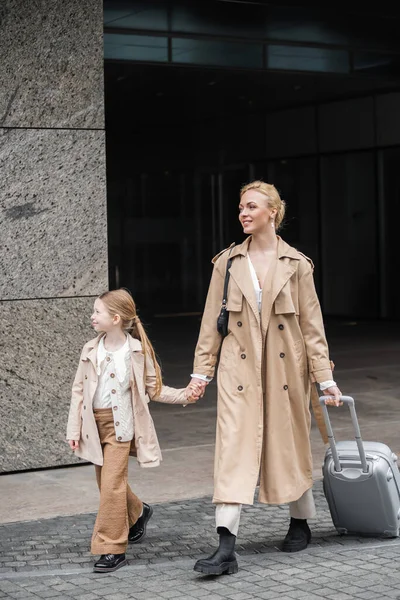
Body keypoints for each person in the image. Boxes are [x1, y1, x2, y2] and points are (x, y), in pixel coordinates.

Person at [190, 180, 342, 576]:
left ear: (272, 212)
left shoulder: (296, 265)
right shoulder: (227, 263)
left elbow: (312, 326)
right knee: (232, 447)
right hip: (236, 371)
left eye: (251, 206)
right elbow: (212, 322)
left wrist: (325, 379)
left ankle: (300, 520)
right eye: (240, 207)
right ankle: (226, 546)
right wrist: (200, 372)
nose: (243, 213)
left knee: (288, 444)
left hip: (285, 370)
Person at [66, 289, 200, 573]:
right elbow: (78, 391)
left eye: (98, 312)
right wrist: (73, 428)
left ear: (115, 318)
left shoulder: (136, 352)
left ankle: (111, 548)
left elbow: (155, 389)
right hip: (94, 427)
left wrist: (186, 395)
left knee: (111, 486)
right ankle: (138, 511)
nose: (92, 316)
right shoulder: (90, 349)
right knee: (107, 485)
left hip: (120, 428)